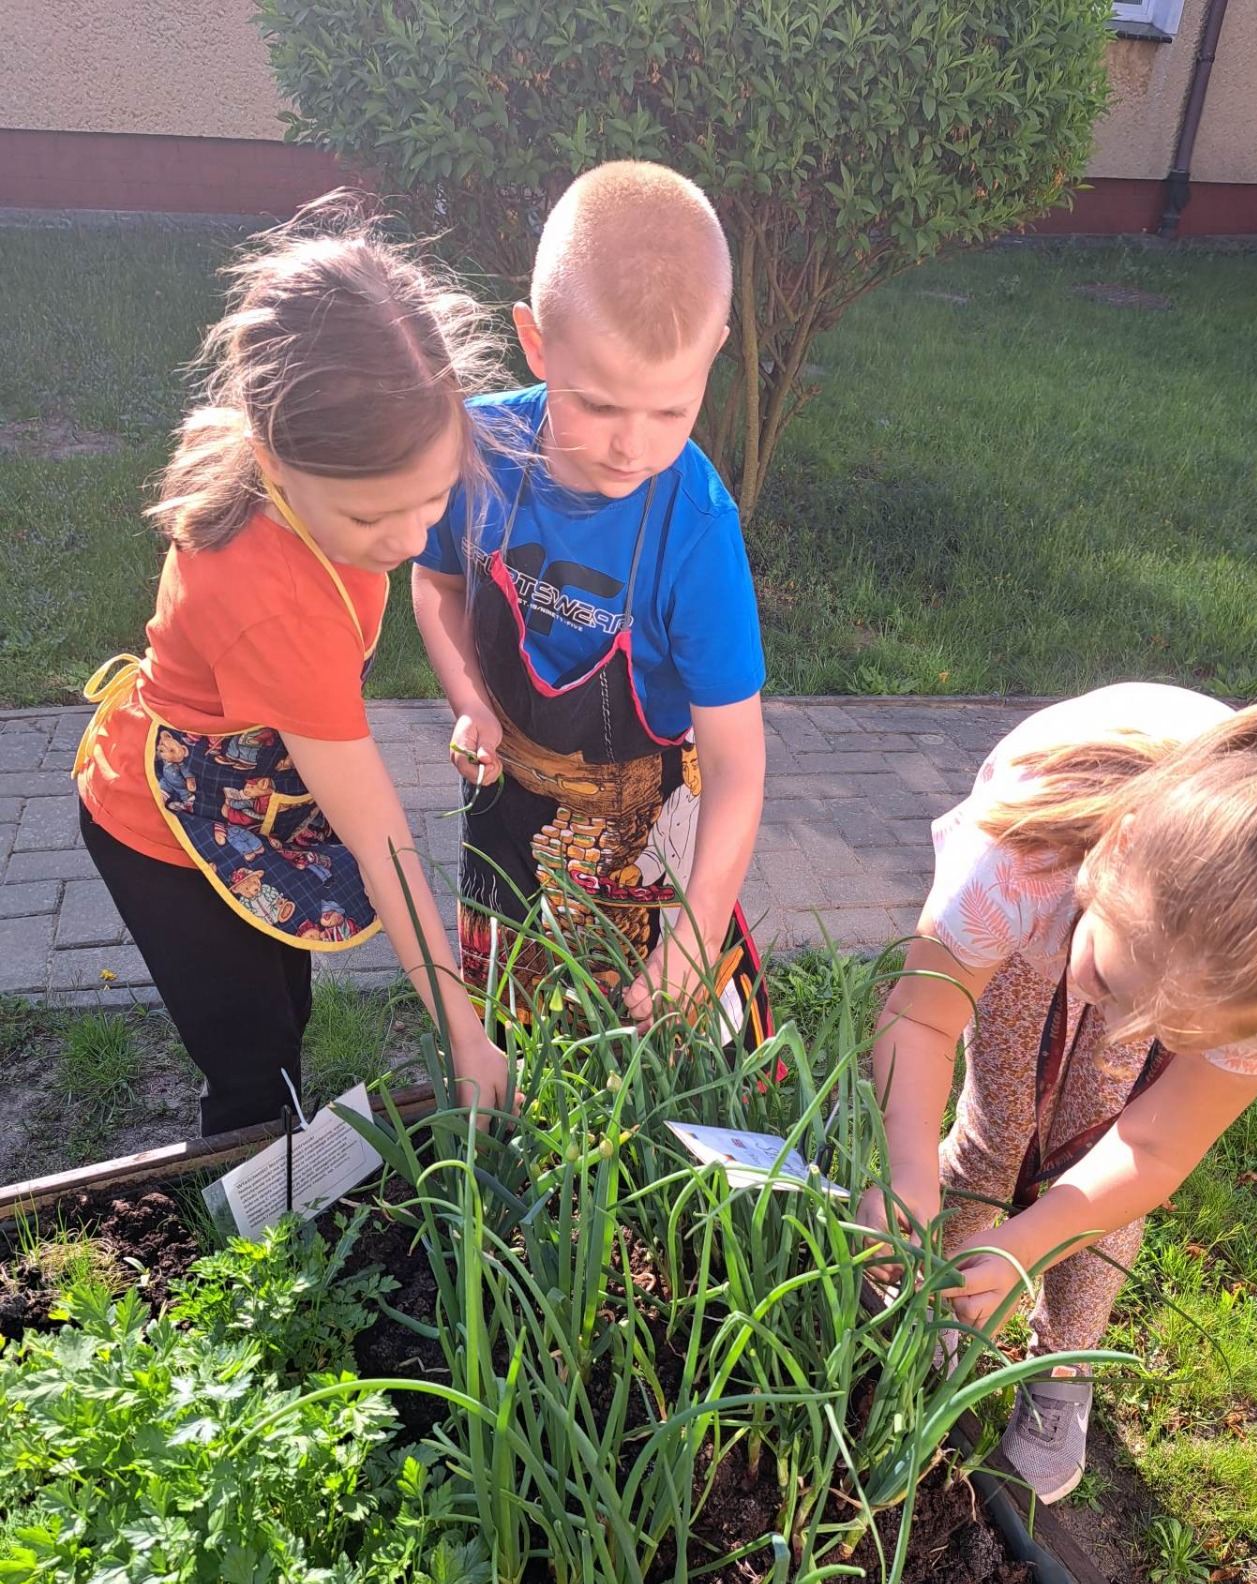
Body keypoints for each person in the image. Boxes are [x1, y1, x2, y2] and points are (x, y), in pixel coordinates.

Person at [859, 683, 1257, 1502]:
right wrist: (905, 1167)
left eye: (1175, 1032)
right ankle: (938, 1288)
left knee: (1095, 1140)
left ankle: (1063, 1358)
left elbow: (1150, 1146)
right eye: (1110, 984)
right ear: (1115, 855)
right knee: (1001, 1118)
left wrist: (1029, 1241)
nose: (1120, 1029)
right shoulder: (1015, 866)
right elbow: (923, 1023)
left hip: (1150, 927)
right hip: (1058, 874)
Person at [72, 198, 512, 1135]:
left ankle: (281, 1148)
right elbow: (378, 832)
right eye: (371, 520)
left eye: (433, 499)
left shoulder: (326, 492)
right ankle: (255, 1242)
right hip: (160, 832)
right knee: (249, 1055)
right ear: (275, 457)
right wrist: (461, 1029)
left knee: (284, 1003)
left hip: (244, 795)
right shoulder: (273, 599)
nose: (409, 537)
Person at [412, 160, 770, 1045]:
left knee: (653, 1046)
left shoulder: (696, 531)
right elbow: (436, 584)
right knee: (515, 1026)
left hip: (640, 834)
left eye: (670, 413)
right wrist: (468, 702)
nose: (632, 447)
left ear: (714, 352)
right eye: (601, 405)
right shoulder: (479, 451)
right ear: (535, 345)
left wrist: (697, 933)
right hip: (504, 799)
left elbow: (737, 769)